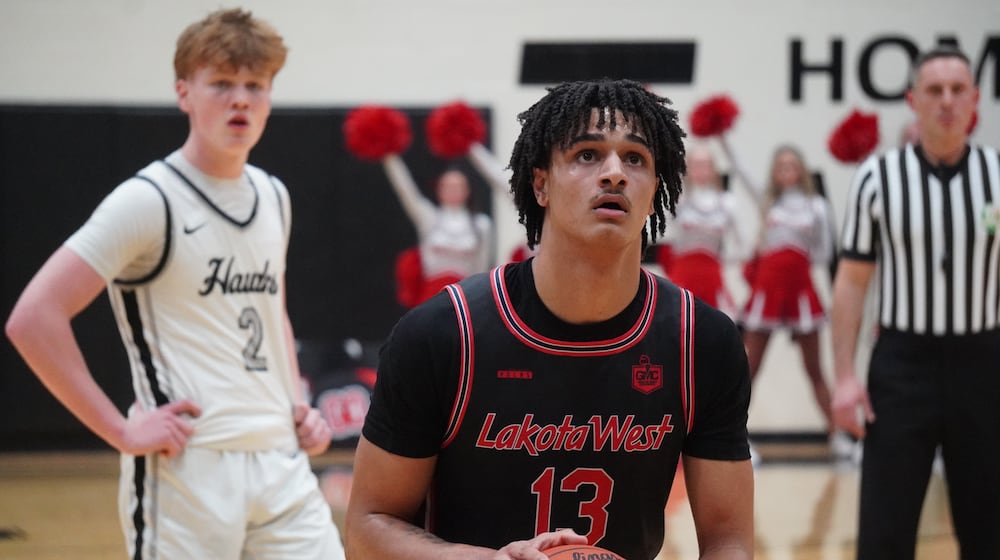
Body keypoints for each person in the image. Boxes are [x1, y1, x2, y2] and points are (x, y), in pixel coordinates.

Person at [345, 79, 754, 560]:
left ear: (654, 192)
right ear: (540, 184)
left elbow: (729, 540)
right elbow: (367, 528)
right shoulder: (443, 333)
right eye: (587, 154)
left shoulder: (701, 342)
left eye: (636, 159)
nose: (615, 173)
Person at [4, 9, 345, 559]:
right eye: (222, 84)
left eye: (255, 85)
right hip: (189, 466)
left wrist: (296, 400)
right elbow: (33, 317)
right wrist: (119, 429)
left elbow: (269, 309)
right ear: (184, 91)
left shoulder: (272, 195)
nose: (241, 99)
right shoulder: (149, 200)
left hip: (281, 460)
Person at [831, 45, 1000, 559]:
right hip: (902, 366)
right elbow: (853, 282)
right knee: (886, 526)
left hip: (985, 362)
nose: (946, 101)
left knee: (989, 524)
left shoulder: (998, 175)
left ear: (975, 100)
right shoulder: (876, 179)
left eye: (957, 90)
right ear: (913, 100)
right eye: (934, 90)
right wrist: (844, 378)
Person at [720, 141, 842, 453]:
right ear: (775, 172)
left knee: (814, 369)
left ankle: (837, 435)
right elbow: (743, 171)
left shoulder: (817, 207)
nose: (787, 171)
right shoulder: (768, 202)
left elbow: (824, 251)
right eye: (781, 166)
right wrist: (724, 136)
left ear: (800, 170)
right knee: (749, 367)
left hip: (800, 289)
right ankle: (734, 437)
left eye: (792, 165)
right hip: (768, 290)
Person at [382, 152, 494, 307]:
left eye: (458, 186)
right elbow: (405, 189)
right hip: (431, 297)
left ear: (467, 190)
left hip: (464, 298)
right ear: (439, 190)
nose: (453, 190)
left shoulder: (481, 224)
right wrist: (389, 156)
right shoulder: (429, 217)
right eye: (447, 186)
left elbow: (482, 268)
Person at [655, 143, 748, 318]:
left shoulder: (727, 203)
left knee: (716, 327)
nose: (701, 170)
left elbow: (742, 243)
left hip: (712, 275)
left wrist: (725, 259)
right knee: (677, 324)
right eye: (696, 164)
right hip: (682, 274)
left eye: (705, 164)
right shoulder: (677, 200)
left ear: (713, 168)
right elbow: (664, 235)